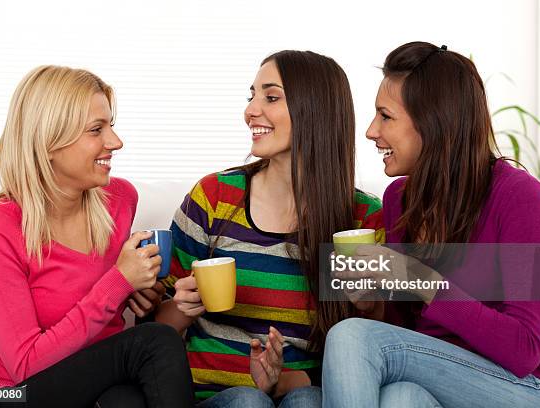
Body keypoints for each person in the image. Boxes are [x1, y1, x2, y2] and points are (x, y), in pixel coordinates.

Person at [321, 42, 540, 407]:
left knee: (350, 337)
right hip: (438, 379)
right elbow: (410, 335)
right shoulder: (398, 198)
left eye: (385, 116)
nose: (371, 131)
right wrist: (375, 307)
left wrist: (418, 278)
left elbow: (524, 350)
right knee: (401, 398)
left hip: (522, 389)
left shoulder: (522, 197)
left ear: (432, 123)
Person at [151, 50, 385, 407]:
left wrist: (282, 381)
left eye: (271, 97)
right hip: (214, 397)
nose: (250, 111)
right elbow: (156, 334)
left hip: (303, 392)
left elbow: (372, 346)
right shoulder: (214, 198)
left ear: (314, 111)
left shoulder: (361, 218)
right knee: (248, 402)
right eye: (252, 96)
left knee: (307, 401)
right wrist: (185, 306)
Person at [0, 65, 194, 408]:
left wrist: (143, 294)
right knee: (155, 343)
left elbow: (107, 332)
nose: (115, 142)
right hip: (17, 395)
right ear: (49, 142)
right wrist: (118, 281)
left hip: (99, 383)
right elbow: (26, 366)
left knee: (128, 400)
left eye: (111, 126)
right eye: (96, 130)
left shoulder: (119, 200)